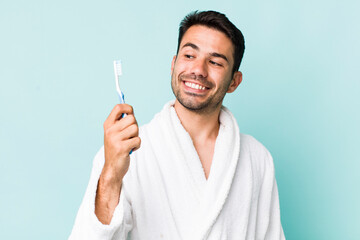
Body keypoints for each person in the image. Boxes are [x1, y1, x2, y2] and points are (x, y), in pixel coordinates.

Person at [69, 10, 285, 240]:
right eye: (189, 56)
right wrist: (111, 173)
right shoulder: (125, 152)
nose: (198, 70)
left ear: (234, 81)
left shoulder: (257, 159)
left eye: (214, 62)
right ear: (174, 64)